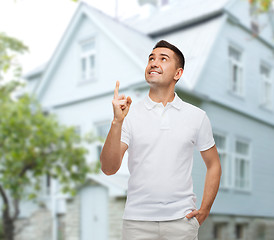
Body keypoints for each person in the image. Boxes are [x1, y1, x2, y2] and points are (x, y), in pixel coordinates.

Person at [100, 40, 222, 240]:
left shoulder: (196, 116)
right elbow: (108, 168)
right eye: (151, 58)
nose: (154, 63)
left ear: (178, 73)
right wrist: (116, 121)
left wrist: (205, 209)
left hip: (181, 223)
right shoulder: (128, 115)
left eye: (163, 59)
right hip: (136, 223)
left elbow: (214, 164)